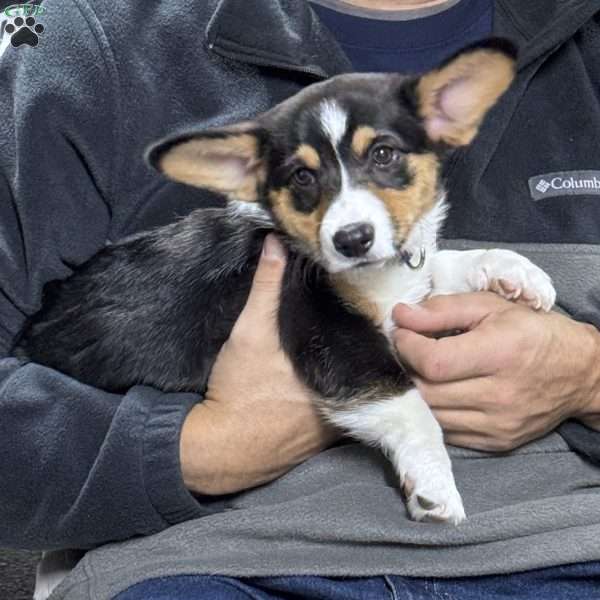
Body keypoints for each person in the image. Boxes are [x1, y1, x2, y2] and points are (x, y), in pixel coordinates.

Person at [1, 0, 600, 598]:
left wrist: (589, 378)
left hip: (564, 550)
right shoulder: (80, 40)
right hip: (222, 565)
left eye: (383, 158)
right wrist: (194, 449)